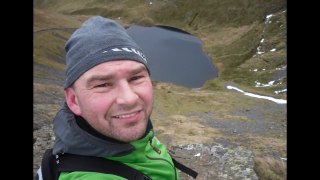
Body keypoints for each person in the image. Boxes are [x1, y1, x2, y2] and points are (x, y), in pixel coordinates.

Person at [36, 16, 180, 179]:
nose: (129, 99)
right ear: (73, 100)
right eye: (102, 85)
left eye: (135, 78)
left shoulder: (128, 134)